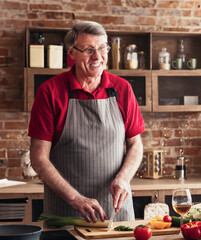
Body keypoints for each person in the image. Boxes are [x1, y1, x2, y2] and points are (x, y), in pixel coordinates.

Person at [28, 21, 145, 223]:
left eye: (102, 48)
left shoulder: (122, 89)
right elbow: (39, 158)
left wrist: (124, 178)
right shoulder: (50, 92)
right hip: (67, 214)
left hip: (116, 214)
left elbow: (136, 144)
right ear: (71, 53)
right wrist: (76, 199)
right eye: (89, 50)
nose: (98, 57)